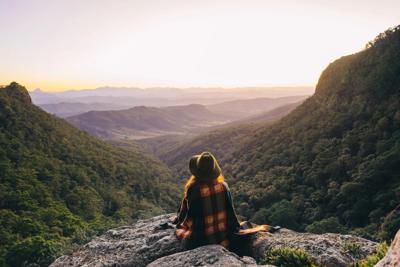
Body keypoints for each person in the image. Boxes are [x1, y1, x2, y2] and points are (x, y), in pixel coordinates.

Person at [173, 152, 241, 250]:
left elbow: (186, 219)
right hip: (222, 237)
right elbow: (231, 215)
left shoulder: (194, 190)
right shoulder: (224, 187)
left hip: (200, 240)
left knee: (180, 232)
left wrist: (180, 222)